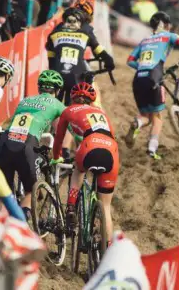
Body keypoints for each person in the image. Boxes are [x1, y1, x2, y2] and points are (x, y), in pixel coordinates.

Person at [51, 82, 119, 243]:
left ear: (73, 98)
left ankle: (71, 207)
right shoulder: (102, 112)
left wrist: (55, 157)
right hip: (111, 150)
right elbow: (112, 135)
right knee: (106, 207)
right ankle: (107, 247)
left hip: (89, 145)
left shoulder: (69, 110)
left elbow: (59, 138)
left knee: (78, 171)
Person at [0, 70, 66, 216]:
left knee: (5, 195)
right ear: (57, 91)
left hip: (5, 142)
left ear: (39, 88)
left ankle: (1, 226)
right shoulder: (58, 104)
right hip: (26, 145)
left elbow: (10, 122)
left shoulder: (25, 100)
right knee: (31, 191)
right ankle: (23, 220)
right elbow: (72, 124)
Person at [125, 11, 179, 160]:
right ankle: (152, 149)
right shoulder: (168, 35)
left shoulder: (144, 41)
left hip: (138, 79)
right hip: (154, 77)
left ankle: (137, 123)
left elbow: (130, 60)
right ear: (164, 24)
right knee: (157, 116)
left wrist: (143, 67)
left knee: (145, 116)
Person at [45, 6, 115, 104]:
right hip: (76, 75)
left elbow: (50, 52)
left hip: (57, 74)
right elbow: (98, 50)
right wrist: (109, 61)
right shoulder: (86, 31)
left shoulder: (56, 31)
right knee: (74, 108)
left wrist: (53, 68)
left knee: (53, 107)